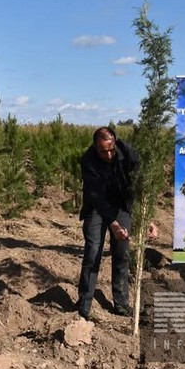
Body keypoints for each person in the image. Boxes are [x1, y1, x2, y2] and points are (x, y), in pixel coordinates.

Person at [76, 127, 158, 320]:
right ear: (95, 147)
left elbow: (140, 187)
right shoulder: (88, 161)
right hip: (96, 207)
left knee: (121, 254)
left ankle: (121, 304)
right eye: (103, 151)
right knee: (93, 252)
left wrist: (147, 219)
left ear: (115, 141)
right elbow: (95, 196)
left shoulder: (128, 153)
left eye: (111, 149)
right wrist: (112, 224)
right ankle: (84, 304)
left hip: (121, 205)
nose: (109, 154)